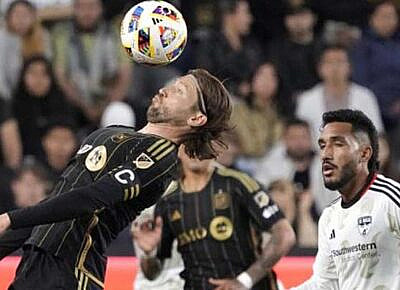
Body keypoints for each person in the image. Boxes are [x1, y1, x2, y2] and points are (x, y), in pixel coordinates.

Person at [0, 68, 232, 290]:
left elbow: (91, 199)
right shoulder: (109, 133)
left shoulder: (162, 157)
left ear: (196, 118)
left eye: (179, 91)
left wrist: (12, 217)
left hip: (72, 271)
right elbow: (56, 201)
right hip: (34, 263)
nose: (165, 90)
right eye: (173, 84)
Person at [133, 146, 295, 290]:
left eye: (202, 142)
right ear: (179, 150)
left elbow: (285, 235)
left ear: (215, 147)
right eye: (190, 142)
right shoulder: (168, 202)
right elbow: (152, 273)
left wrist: (244, 281)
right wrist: (148, 253)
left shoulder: (238, 184)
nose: (196, 149)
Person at [292, 109, 400, 289]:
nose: (326, 154)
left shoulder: (390, 199)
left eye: (338, 144)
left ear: (364, 154)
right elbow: (325, 285)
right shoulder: (329, 217)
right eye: (323, 145)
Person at [296, 45, 384, 147]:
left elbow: (376, 133)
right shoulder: (307, 100)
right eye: (329, 62)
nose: (335, 67)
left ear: (350, 67)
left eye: (340, 62)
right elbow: (300, 137)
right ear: (320, 69)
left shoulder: (365, 97)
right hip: (318, 158)